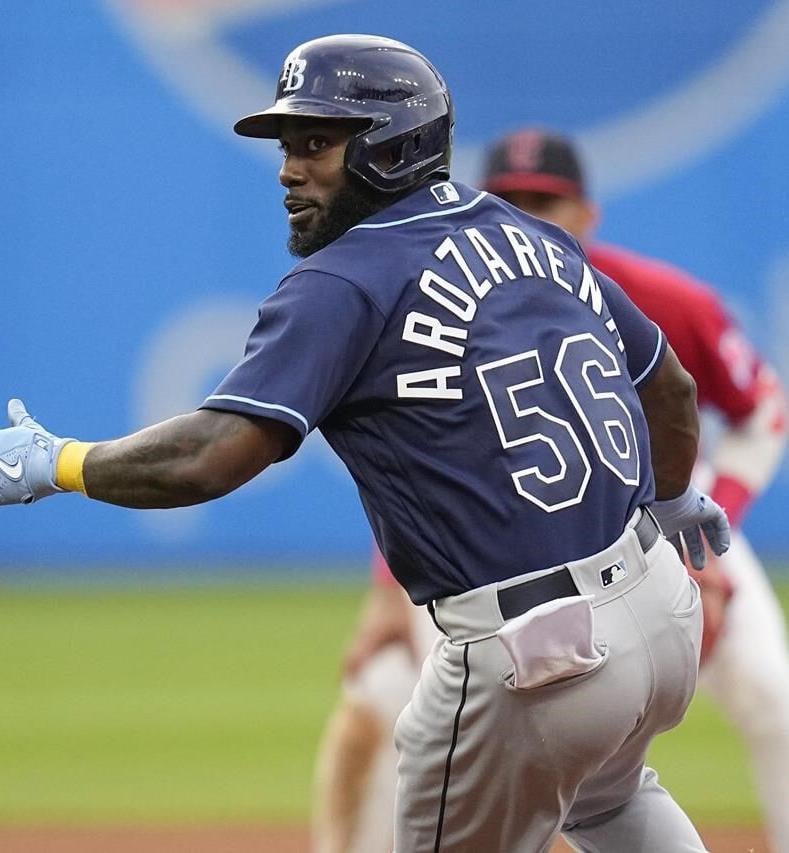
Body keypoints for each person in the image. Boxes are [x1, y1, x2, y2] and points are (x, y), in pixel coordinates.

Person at [0, 37, 730, 853]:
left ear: (394, 142)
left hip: (537, 654)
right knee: (608, 799)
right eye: (287, 145)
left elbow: (212, 453)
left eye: (317, 142)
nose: (289, 168)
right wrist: (670, 498)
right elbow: (666, 386)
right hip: (658, 610)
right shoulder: (523, 233)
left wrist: (62, 463)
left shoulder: (345, 278)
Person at [312, 127, 788, 853]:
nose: (528, 213)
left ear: (588, 218)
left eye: (547, 201)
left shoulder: (658, 295)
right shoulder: (438, 307)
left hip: (662, 515)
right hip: (511, 540)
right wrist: (385, 589)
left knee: (774, 699)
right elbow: (427, 469)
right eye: (509, 199)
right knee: (387, 700)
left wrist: (707, 524)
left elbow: (758, 409)